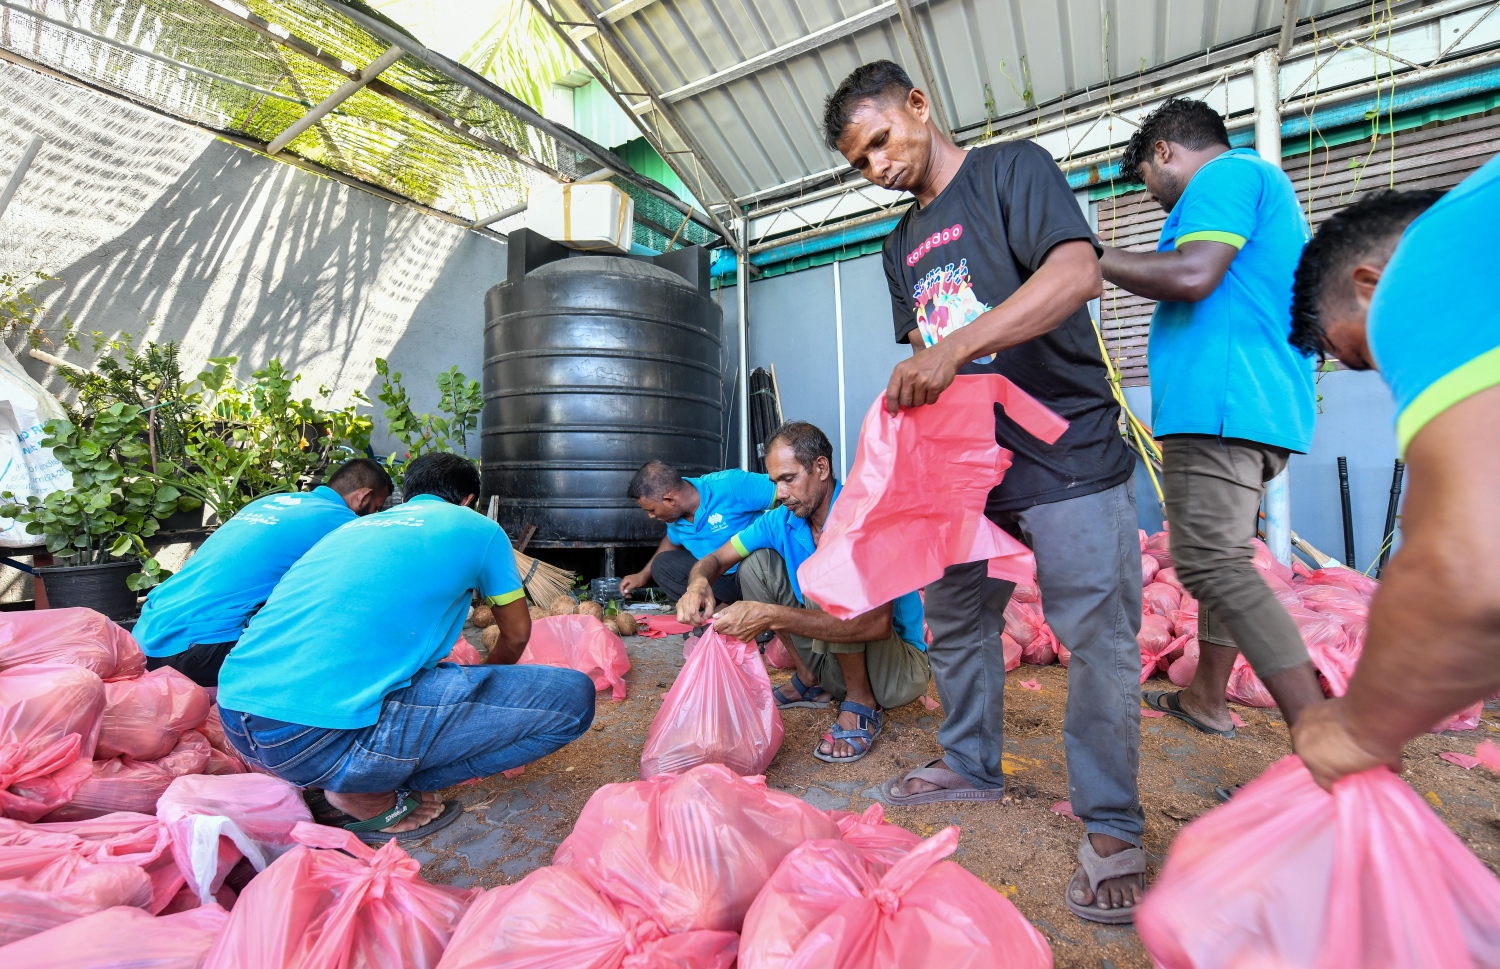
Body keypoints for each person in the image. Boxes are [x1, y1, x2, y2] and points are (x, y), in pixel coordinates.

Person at [825, 60, 1145, 923]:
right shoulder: (899, 245)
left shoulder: (1012, 171)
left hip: (1065, 448)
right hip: (967, 468)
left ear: (919, 106)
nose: (877, 166)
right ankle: (970, 761)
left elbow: (1076, 275)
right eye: (859, 162)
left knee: (1097, 636)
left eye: (881, 141)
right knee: (957, 621)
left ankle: (1113, 823)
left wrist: (956, 348)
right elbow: (927, 354)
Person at [216, 452, 595, 841]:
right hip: (312, 734)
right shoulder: (477, 527)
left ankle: (340, 772)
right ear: (468, 500)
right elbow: (515, 634)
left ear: (407, 494)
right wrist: (486, 688)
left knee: (414, 679)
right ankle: (365, 788)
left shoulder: (350, 529)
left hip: (238, 717)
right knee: (572, 701)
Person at [1096, 98, 1325, 743]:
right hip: (1245, 406)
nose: (1154, 201)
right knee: (1223, 558)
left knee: (1211, 561)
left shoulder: (1226, 175)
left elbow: (1193, 274)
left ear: (1164, 151)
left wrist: (1092, 255)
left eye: (1149, 183)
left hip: (1224, 405)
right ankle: (1206, 697)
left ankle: (1327, 742)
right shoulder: (1255, 186)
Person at [1282, 172, 1500, 790]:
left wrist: (1361, 729)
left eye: (1362, 356)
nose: (1388, 374)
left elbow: (1467, 565)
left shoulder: (1424, 264)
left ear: (1370, 285)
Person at [677, 421, 931, 764]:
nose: (780, 493)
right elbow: (718, 558)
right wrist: (698, 584)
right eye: (775, 482)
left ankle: (861, 702)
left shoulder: (864, 517)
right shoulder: (782, 519)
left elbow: (876, 624)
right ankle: (809, 679)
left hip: (894, 673)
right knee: (756, 564)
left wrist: (770, 615)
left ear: (821, 468)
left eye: (788, 479)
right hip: (834, 665)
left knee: (826, 571)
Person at [134, 458, 392, 687]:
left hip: (147, 635)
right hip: (195, 651)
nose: (374, 515)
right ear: (363, 497)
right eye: (376, 508)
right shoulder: (343, 522)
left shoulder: (270, 502)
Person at [619, 460, 774, 603]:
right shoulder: (674, 518)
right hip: (716, 575)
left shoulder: (731, 484)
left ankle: (757, 608)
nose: (651, 516)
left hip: (755, 574)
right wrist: (643, 575)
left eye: (652, 510)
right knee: (661, 565)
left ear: (670, 500)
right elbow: (672, 541)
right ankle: (718, 611)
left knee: (757, 557)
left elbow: (784, 493)